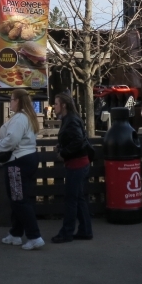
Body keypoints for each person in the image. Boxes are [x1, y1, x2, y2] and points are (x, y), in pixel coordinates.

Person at [0, 89, 44, 250]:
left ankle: (34, 236)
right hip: (27, 158)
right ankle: (16, 233)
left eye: (12, 99)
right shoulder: (28, 117)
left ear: (18, 101)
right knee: (19, 198)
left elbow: (12, 139)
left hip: (17, 160)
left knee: (18, 199)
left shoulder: (19, 118)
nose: (10, 103)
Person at [52, 93, 93, 243]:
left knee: (71, 200)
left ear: (63, 105)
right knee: (78, 198)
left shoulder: (70, 120)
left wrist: (64, 152)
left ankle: (67, 232)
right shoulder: (70, 119)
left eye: (56, 104)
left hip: (76, 164)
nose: (54, 106)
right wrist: (62, 146)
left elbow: (78, 140)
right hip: (79, 162)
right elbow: (75, 139)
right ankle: (85, 230)